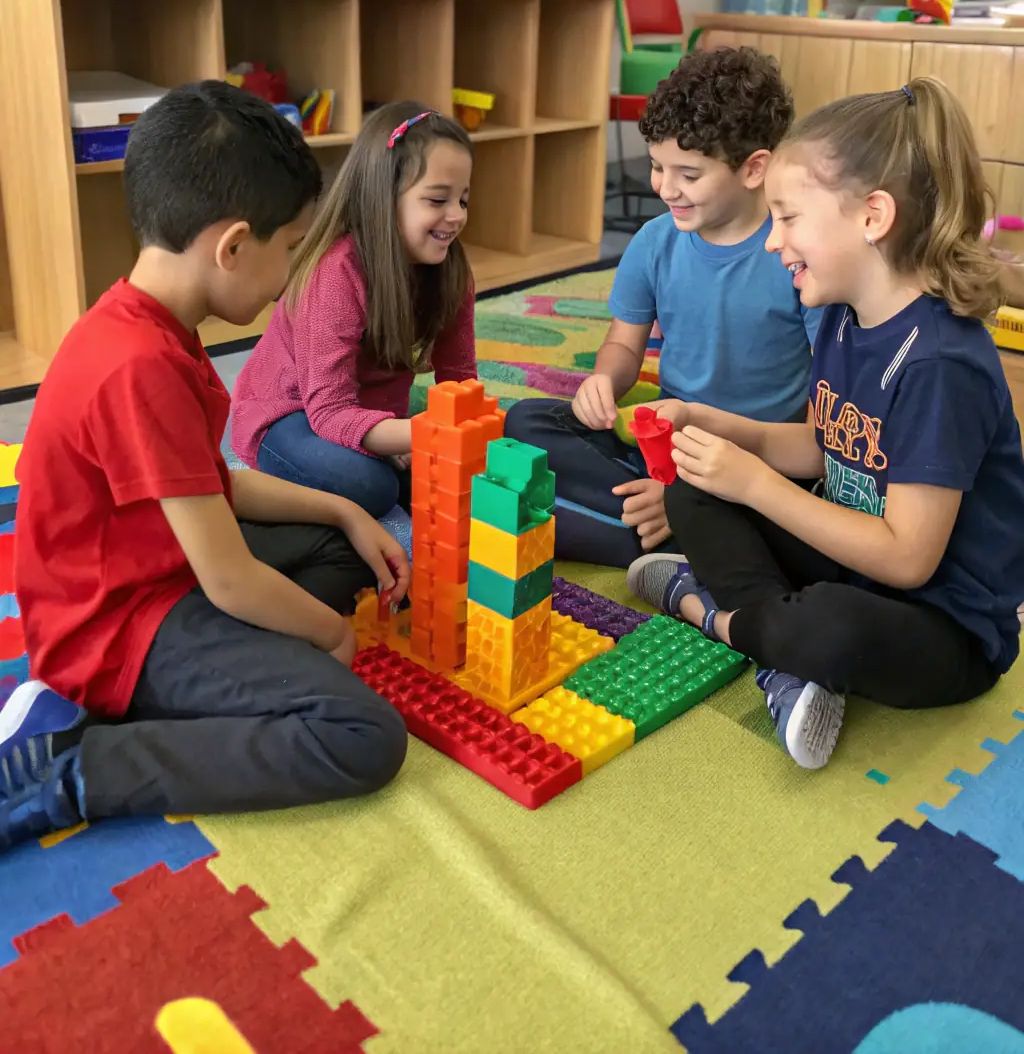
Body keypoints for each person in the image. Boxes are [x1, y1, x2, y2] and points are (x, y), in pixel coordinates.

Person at [0, 82, 410, 852]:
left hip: (164, 570)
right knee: (363, 732)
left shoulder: (154, 320)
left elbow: (216, 486)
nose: (293, 270)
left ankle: (230, 675)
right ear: (232, 245)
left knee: (334, 547)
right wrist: (329, 639)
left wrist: (347, 512)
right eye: (290, 248)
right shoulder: (136, 363)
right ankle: (75, 766)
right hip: (114, 628)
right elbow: (228, 579)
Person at [627, 78, 1024, 771]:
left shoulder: (940, 363)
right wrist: (713, 425)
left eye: (788, 218)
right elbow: (821, 445)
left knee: (829, 625)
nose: (774, 239)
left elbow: (908, 557)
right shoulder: (844, 312)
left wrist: (756, 484)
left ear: (872, 217)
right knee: (693, 488)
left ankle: (714, 615)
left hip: (943, 624)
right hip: (856, 561)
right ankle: (780, 656)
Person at [505, 47, 821, 568]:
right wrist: (604, 383)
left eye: (689, 175)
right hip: (661, 446)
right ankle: (673, 525)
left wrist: (691, 490)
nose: (664, 188)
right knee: (526, 421)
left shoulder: (795, 257)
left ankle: (680, 523)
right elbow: (623, 346)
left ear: (753, 168)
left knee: (792, 506)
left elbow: (817, 434)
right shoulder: (654, 242)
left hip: (754, 463)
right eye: (655, 166)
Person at [231, 102, 476, 526]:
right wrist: (427, 435)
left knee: (456, 472)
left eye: (464, 199)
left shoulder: (450, 270)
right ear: (382, 198)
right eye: (438, 199)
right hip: (288, 414)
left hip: (368, 417)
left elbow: (459, 381)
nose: (455, 216)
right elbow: (328, 410)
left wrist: (466, 431)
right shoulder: (336, 273)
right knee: (373, 487)